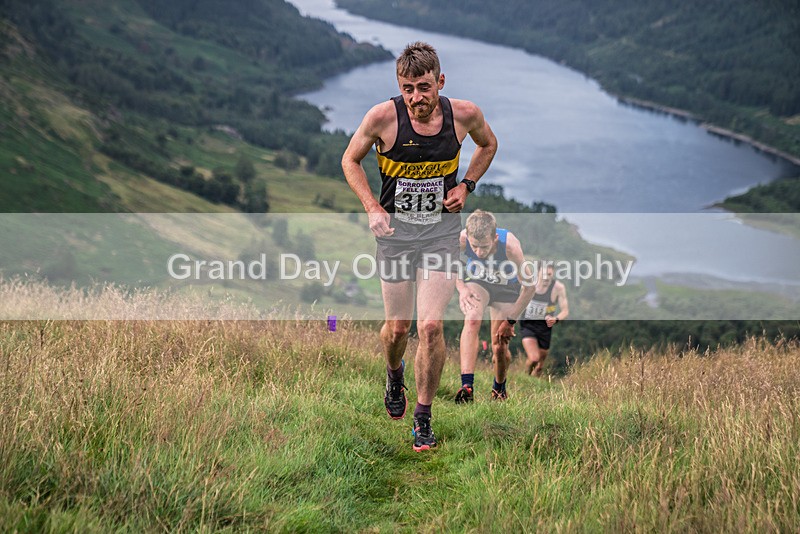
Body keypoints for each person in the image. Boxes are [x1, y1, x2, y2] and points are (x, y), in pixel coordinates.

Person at [341, 42, 498, 451]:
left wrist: (467, 185)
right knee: (398, 328)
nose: (416, 98)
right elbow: (349, 161)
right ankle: (395, 375)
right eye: (408, 88)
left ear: (440, 82)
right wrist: (373, 207)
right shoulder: (382, 118)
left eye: (424, 87)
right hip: (394, 238)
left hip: (441, 235)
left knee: (429, 326)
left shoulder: (463, 115)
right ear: (399, 86)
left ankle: (423, 417)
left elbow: (489, 144)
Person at [455, 210, 536, 402]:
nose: (479, 252)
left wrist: (510, 320)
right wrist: (462, 288)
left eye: (484, 247)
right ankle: (467, 386)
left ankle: (499, 389)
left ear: (495, 238)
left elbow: (530, 287)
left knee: (499, 345)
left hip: (507, 289)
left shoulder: (510, 247)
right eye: (475, 247)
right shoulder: (462, 239)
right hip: (479, 281)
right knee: (472, 319)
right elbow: (448, 262)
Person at [520, 262, 569, 377]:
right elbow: (517, 301)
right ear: (538, 272)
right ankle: (524, 377)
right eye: (545, 274)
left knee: (540, 366)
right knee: (534, 358)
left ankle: (532, 385)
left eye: (550, 275)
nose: (547, 278)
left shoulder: (558, 288)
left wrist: (555, 319)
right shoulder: (529, 284)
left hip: (545, 327)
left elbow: (565, 311)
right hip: (528, 325)